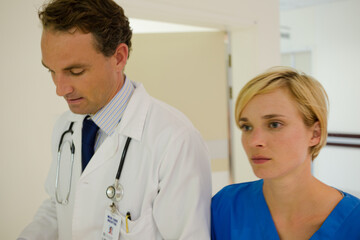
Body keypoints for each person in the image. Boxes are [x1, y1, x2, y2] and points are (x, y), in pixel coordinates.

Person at [18, 0, 212, 239]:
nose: (60, 89)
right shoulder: (65, 127)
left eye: (75, 71)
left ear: (119, 57)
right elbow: (58, 207)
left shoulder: (175, 140)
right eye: (51, 71)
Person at [211, 67, 360, 239]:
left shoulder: (354, 223)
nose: (254, 141)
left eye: (274, 124)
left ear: (315, 134)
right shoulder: (226, 208)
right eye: (247, 127)